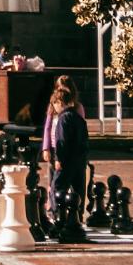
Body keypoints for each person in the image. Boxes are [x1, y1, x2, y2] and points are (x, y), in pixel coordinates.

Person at [48, 86, 89, 221]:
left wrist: (58, 158)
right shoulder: (79, 118)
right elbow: (85, 140)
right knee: (78, 190)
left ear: (59, 102)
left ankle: (57, 215)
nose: (54, 107)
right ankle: (77, 217)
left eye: (54, 104)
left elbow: (61, 141)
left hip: (66, 160)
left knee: (57, 187)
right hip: (79, 160)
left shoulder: (63, 119)